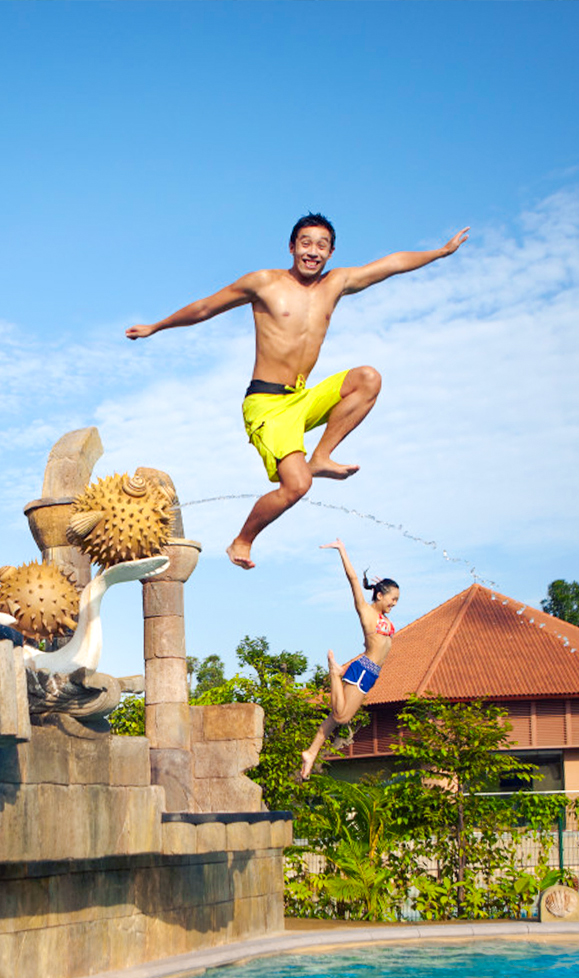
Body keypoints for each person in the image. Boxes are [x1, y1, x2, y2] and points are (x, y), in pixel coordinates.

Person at [126, 214, 467, 568]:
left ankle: (321, 456)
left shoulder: (336, 283)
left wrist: (441, 252)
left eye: (322, 246)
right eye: (305, 243)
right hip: (267, 404)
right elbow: (205, 307)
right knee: (298, 486)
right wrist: (156, 327)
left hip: (301, 398)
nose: (312, 252)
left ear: (331, 253)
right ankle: (242, 540)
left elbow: (391, 264)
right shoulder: (263, 283)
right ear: (291, 247)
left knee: (368, 378)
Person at [299, 538, 398, 781]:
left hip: (370, 672)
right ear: (379, 595)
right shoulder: (367, 612)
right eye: (392, 599)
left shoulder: (384, 618)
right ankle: (334, 673)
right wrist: (342, 550)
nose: (394, 604)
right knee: (342, 717)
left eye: (397, 600)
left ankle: (311, 753)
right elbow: (353, 580)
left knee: (335, 719)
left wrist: (384, 586)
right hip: (364, 669)